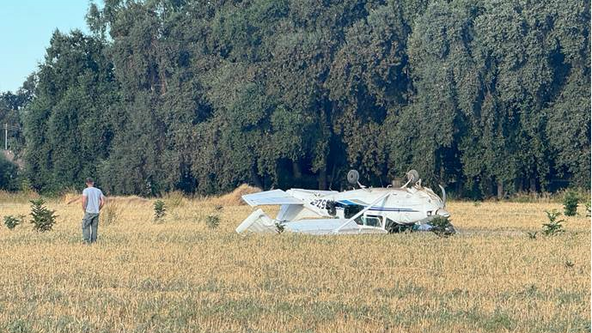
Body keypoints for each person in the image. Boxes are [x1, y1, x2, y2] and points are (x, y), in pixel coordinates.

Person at [81, 178, 105, 244]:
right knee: (94, 228)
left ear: (86, 183)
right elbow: (103, 202)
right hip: (96, 212)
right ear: (93, 182)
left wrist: (84, 209)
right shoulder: (98, 191)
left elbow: (83, 201)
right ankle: (94, 242)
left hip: (89, 211)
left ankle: (86, 241)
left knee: (85, 225)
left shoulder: (86, 190)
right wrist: (98, 208)